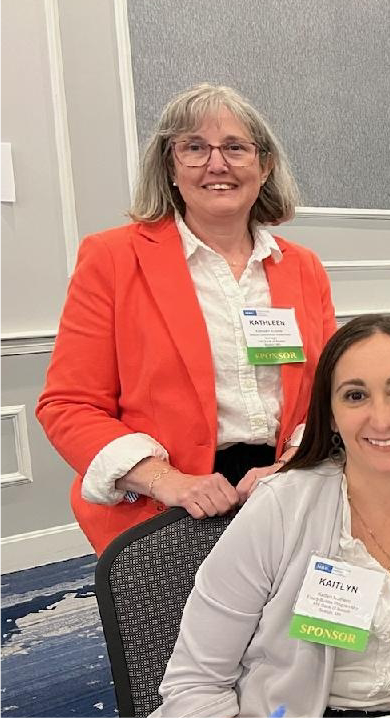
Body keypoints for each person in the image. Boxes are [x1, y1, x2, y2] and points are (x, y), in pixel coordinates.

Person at [154, 315, 390, 718]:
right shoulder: (280, 507)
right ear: (332, 416)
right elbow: (196, 682)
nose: (382, 418)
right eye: (355, 396)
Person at [36, 84, 336, 554]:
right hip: (168, 509)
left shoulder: (303, 267)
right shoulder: (112, 259)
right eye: (195, 148)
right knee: (183, 631)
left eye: (236, 148)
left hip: (285, 491)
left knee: (291, 625)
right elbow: (69, 406)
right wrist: (168, 481)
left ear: (264, 167)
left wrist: (295, 464)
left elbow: (326, 393)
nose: (217, 164)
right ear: (171, 167)